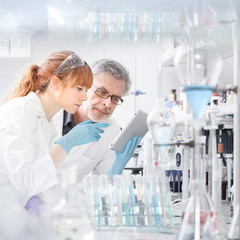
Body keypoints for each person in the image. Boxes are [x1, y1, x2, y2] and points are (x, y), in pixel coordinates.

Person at [25, 59, 141, 213]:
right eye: (102, 92)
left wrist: (116, 170)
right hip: (23, 206)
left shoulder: (111, 129)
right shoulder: (50, 113)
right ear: (85, 86)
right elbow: (21, 170)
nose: (107, 104)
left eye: (115, 98)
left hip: (64, 214)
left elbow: (102, 190)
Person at [0, 50, 108, 214]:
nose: (85, 97)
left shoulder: (47, 121)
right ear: (55, 83)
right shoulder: (21, 112)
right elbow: (25, 181)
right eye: (79, 88)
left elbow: (50, 182)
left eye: (86, 90)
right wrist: (65, 144)